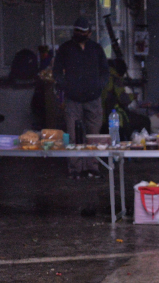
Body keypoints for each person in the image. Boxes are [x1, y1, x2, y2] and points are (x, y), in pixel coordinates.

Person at [53, 17, 109, 180]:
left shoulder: (97, 49)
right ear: (73, 31)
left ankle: (92, 168)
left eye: (83, 32)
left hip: (93, 98)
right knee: (73, 135)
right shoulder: (65, 48)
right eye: (77, 31)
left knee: (93, 135)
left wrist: (99, 85)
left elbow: (105, 72)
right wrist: (66, 85)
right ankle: (75, 169)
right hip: (72, 99)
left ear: (89, 33)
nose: (80, 34)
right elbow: (57, 72)